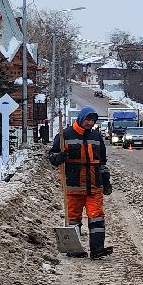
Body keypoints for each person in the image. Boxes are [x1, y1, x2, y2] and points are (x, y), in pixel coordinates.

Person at [48, 106, 113, 259]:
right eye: (88, 119)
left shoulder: (96, 137)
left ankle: (97, 250)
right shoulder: (65, 135)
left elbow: (102, 162)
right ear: (81, 118)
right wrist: (58, 158)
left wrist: (106, 181)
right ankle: (74, 249)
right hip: (73, 187)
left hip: (94, 187)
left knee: (97, 217)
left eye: (93, 120)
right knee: (73, 219)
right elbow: (52, 156)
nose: (90, 123)